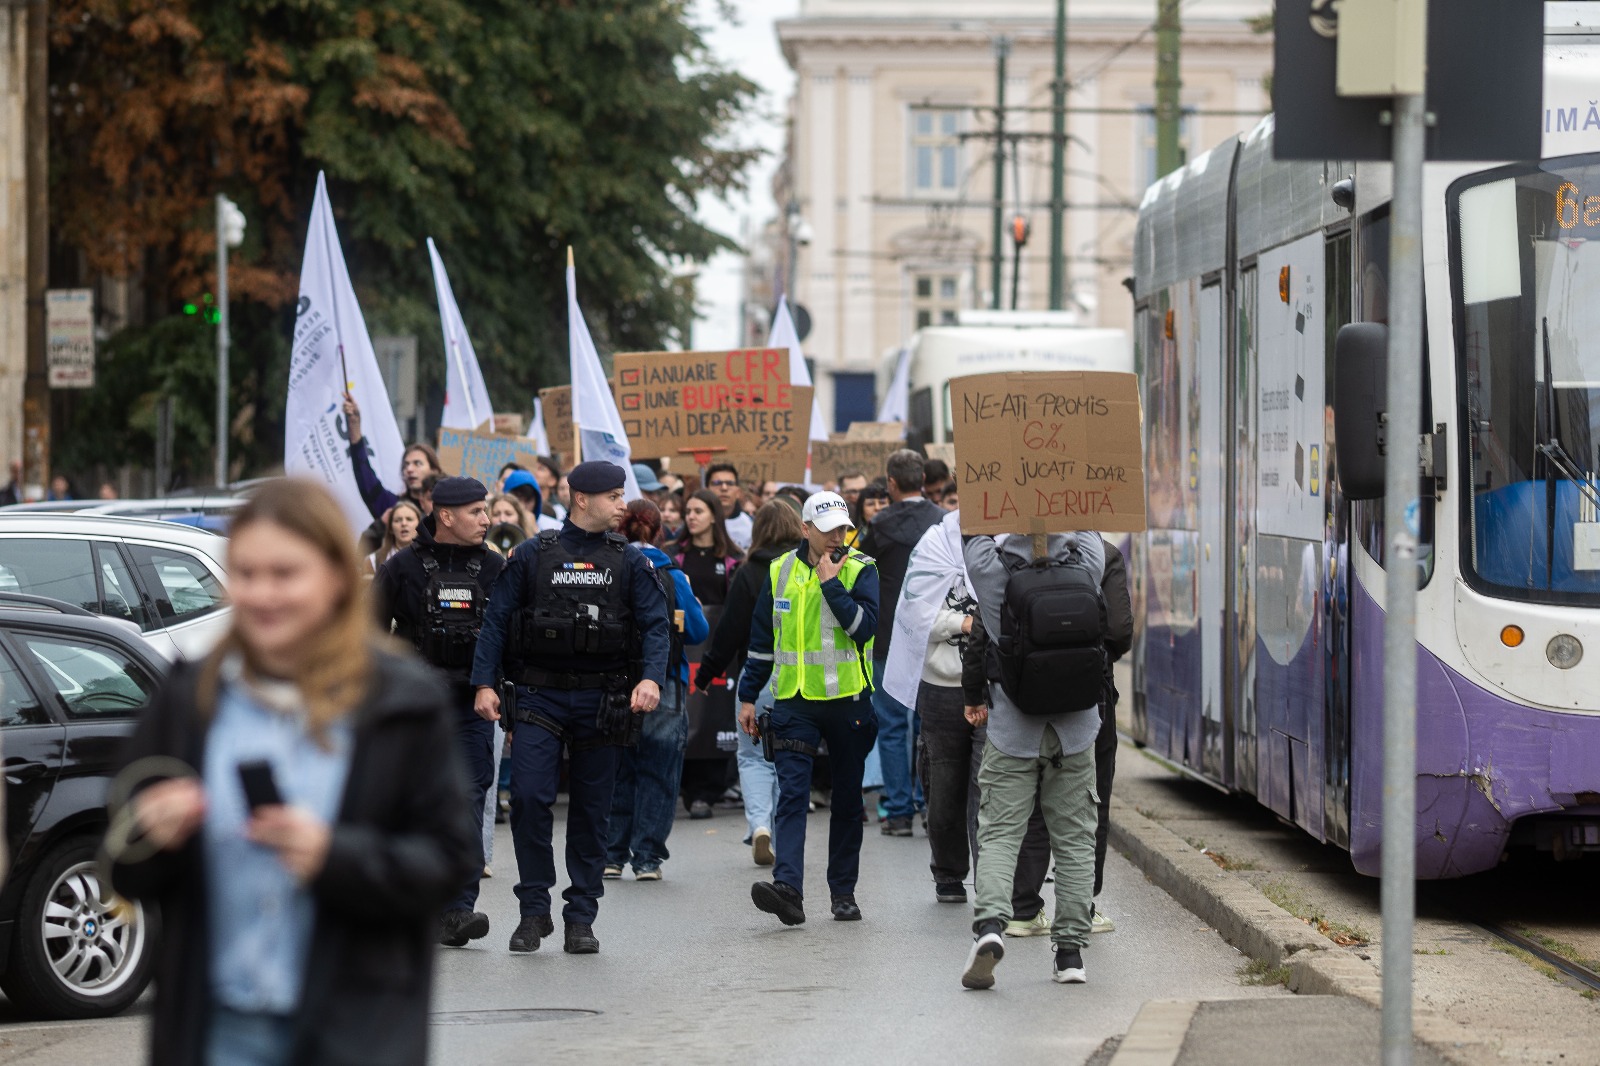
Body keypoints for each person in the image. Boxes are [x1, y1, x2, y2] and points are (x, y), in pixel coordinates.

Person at [106, 478, 476, 1066]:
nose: (261, 594)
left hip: (354, 1030)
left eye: (284, 574)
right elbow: (123, 863)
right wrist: (154, 832)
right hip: (215, 1030)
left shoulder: (401, 702)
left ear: (334, 577)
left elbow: (448, 861)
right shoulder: (188, 697)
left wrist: (335, 857)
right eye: (246, 574)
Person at [470, 460, 670, 955]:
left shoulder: (631, 561)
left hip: (604, 699)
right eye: (615, 496)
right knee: (531, 799)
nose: (624, 504)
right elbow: (496, 621)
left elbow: (657, 624)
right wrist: (484, 685)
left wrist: (649, 677)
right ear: (582, 499)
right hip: (540, 695)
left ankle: (581, 914)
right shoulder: (533, 556)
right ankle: (533, 909)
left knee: (591, 811)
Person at [958, 529, 1105, 990]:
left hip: (1014, 728)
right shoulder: (1089, 566)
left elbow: (973, 532)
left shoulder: (991, 572)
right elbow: (1092, 530)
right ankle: (1070, 952)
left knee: (1000, 832)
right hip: (1076, 730)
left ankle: (990, 928)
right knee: (1076, 839)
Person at [373, 476, 505, 948]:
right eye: (476, 512)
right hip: (413, 708)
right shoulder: (401, 567)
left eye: (486, 510)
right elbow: (368, 634)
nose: (487, 519)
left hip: (472, 705)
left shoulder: (495, 567)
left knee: (468, 797)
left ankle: (457, 909)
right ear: (445, 515)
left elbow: (511, 634)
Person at [739, 491, 880, 926]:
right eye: (828, 529)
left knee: (846, 801)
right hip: (794, 701)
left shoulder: (861, 569)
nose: (838, 536)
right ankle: (788, 890)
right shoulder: (779, 569)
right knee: (793, 795)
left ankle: (843, 892)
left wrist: (831, 585)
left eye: (843, 528)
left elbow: (864, 629)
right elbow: (764, 640)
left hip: (847, 703)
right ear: (805, 529)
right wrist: (748, 694)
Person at [995, 538, 1133, 938]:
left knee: (1030, 801)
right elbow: (1120, 631)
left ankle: (1022, 908)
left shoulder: (1006, 554)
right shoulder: (1103, 555)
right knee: (1088, 805)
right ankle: (1080, 909)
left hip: (1023, 695)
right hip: (1087, 695)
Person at [693, 500, 805, 866]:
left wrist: (708, 672)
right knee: (790, 758)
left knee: (754, 757)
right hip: (807, 678)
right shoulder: (811, 567)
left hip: (759, 676)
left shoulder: (750, 571)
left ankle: (760, 825)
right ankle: (785, 832)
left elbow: (729, 630)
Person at [606, 499, 709, 880]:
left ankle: (612, 854)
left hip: (616, 681)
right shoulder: (672, 574)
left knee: (618, 768)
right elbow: (698, 631)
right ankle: (647, 857)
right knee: (659, 770)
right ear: (659, 530)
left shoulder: (608, 568)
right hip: (665, 681)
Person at [885, 511, 979, 903]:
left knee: (990, 788)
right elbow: (917, 613)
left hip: (994, 685)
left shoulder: (1007, 540)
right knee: (944, 786)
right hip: (942, 687)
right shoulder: (934, 544)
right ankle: (949, 873)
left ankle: (993, 880)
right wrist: (966, 624)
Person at [859, 450, 944, 836]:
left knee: (892, 724)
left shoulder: (879, 524)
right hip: (935, 632)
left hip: (888, 636)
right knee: (931, 724)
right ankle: (930, 804)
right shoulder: (942, 521)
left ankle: (897, 812)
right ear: (923, 477)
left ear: (891, 484)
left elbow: (860, 573)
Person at [675, 489, 743, 819]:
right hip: (685, 649)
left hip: (720, 654)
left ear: (714, 515)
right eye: (688, 510)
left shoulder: (732, 558)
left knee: (716, 715)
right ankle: (688, 787)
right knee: (689, 714)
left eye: (698, 510)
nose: (691, 516)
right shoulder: (675, 555)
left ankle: (709, 790)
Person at [341, 392, 443, 522]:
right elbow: (365, 478)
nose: (409, 469)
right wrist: (354, 426)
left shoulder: (448, 509)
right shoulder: (392, 506)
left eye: (417, 463)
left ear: (434, 470)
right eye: (406, 465)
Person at [363, 499, 422, 577]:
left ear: (419, 526)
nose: (404, 524)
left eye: (409, 519)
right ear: (390, 528)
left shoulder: (432, 557)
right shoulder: (373, 561)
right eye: (397, 520)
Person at [705, 461, 753, 551]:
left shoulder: (752, 525)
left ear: (738, 492)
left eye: (730, 483)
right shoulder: (695, 521)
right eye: (717, 483)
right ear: (707, 490)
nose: (724, 488)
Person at [533, 456, 566, 521]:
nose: (534, 472)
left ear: (552, 480)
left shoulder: (558, 510)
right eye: (534, 468)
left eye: (541, 469)